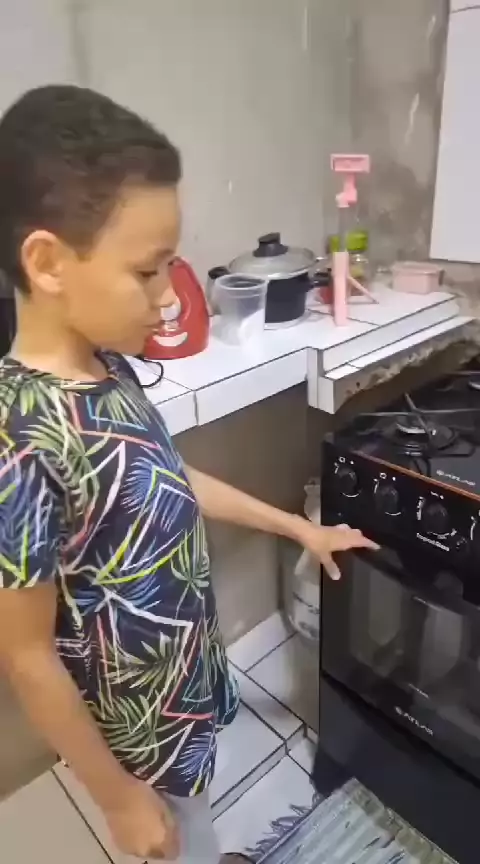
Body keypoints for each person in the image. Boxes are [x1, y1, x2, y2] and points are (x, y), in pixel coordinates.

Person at [0, 85, 379, 863]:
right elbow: (27, 655)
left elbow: (167, 479)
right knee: (179, 840)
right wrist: (118, 798)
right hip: (136, 741)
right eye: (147, 271)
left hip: (184, 692)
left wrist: (301, 528)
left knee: (196, 816)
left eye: (170, 266)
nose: (170, 298)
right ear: (47, 262)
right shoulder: (20, 438)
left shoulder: (108, 369)